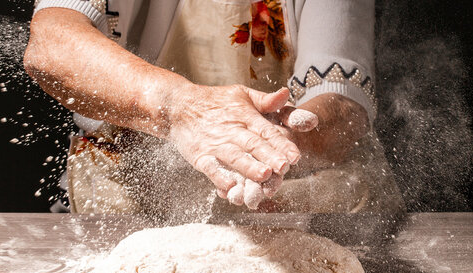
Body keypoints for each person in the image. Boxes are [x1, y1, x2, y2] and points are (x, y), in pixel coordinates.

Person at [25, 0, 403, 228]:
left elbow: (340, 98)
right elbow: (53, 44)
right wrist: (183, 109)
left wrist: (270, 144)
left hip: (299, 186)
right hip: (129, 186)